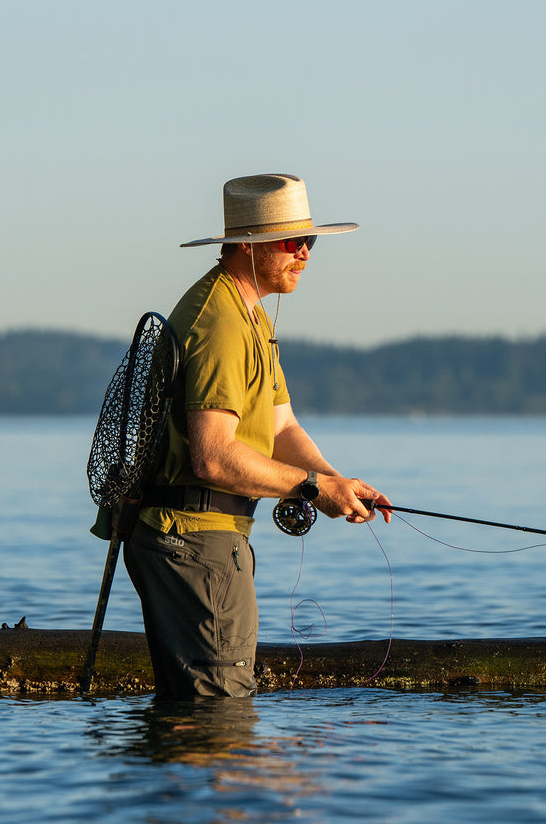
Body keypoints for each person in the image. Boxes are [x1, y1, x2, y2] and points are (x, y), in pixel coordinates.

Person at [123, 173, 391, 698]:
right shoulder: (220, 322)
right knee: (219, 718)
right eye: (295, 242)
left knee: (201, 723)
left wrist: (339, 484)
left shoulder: (251, 317)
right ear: (247, 245)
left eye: (310, 242)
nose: (307, 254)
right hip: (194, 540)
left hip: (207, 539)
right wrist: (313, 489)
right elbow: (213, 457)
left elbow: (281, 425)